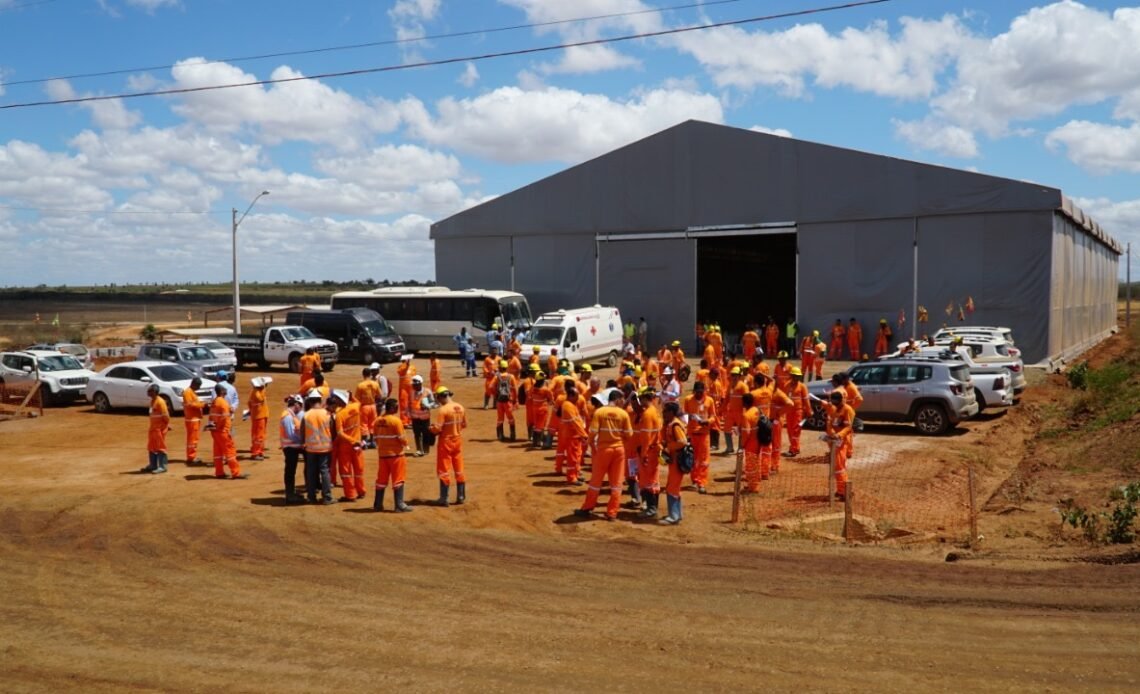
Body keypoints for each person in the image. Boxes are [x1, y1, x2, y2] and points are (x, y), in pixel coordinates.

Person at [574, 389, 632, 521]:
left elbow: (593, 433)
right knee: (617, 483)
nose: (623, 402)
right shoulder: (623, 414)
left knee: (595, 481)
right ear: (617, 399)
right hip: (619, 451)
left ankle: (587, 508)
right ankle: (612, 512)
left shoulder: (600, 412)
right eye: (622, 399)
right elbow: (629, 435)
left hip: (603, 450)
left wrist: (592, 447)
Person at [430, 386, 468, 506]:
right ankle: (461, 496)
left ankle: (444, 498)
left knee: (444, 470)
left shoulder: (443, 410)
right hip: (457, 441)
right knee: (459, 468)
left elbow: (438, 428)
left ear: (441, 396)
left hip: (445, 442)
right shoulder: (461, 407)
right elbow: (464, 425)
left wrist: (431, 429)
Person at [373, 398, 412, 513]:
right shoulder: (396, 421)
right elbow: (402, 438)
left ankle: (377, 505)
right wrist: (406, 444)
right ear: (392, 408)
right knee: (398, 479)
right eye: (396, 407)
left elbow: (375, 438)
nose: (397, 408)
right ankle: (399, 505)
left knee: (381, 480)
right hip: (396, 455)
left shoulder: (377, 421)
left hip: (382, 455)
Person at [631, 387, 663, 518]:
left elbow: (646, 438)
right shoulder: (654, 411)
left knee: (648, 481)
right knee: (653, 480)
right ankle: (652, 507)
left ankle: (651, 508)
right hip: (653, 450)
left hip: (648, 452)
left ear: (645, 398)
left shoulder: (647, 414)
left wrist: (643, 454)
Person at [331, 389, 366, 502]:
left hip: (345, 447)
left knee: (346, 472)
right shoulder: (355, 407)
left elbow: (340, 433)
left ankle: (350, 495)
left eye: (336, 398)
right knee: (358, 470)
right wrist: (351, 397)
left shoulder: (340, 414)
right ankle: (361, 491)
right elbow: (359, 402)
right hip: (357, 445)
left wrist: (351, 440)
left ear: (340, 400)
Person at [301, 389, 335, 504]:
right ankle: (327, 497)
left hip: (311, 448)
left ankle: (311, 497)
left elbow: (302, 432)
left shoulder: (306, 415)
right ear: (320, 400)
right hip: (325, 447)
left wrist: (303, 444)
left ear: (310, 401)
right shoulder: (327, 414)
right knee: (325, 471)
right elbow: (333, 430)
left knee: (311, 472)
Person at [681, 380, 715, 494]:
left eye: (701, 392)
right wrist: (689, 418)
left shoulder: (709, 400)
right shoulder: (688, 400)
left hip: (704, 434)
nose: (699, 394)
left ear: (704, 391)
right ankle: (694, 480)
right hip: (692, 434)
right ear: (694, 391)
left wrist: (707, 421)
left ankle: (702, 482)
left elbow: (713, 416)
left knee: (704, 460)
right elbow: (683, 416)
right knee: (692, 459)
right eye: (697, 392)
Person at [660, 401, 689, 525]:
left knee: (672, 487)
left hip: (677, 460)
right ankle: (677, 514)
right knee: (674, 487)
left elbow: (682, 442)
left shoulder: (675, 425)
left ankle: (674, 516)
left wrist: (668, 447)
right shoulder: (670, 424)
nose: (663, 414)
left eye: (665, 411)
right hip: (675, 460)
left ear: (671, 412)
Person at [208, 383, 243, 479]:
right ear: (222, 391)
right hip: (223, 431)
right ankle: (236, 473)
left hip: (215, 432)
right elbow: (224, 417)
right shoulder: (223, 402)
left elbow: (212, 416)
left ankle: (219, 472)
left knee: (218, 453)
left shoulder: (214, 402)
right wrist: (220, 427)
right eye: (224, 389)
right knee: (230, 451)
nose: (226, 390)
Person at [824, 390, 855, 500]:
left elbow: (848, 427)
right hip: (834, 441)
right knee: (837, 466)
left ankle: (846, 492)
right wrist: (831, 433)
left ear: (841, 400)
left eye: (836, 402)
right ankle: (841, 490)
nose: (834, 404)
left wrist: (839, 435)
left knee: (840, 467)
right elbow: (831, 423)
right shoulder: (834, 408)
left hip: (842, 441)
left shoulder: (847, 410)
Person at [559, 382, 589, 485]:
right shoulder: (567, 406)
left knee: (577, 456)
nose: (578, 399)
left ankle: (576, 474)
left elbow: (578, 420)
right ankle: (571, 478)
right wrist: (584, 434)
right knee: (572, 458)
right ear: (571, 396)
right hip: (571, 436)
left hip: (576, 436)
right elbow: (574, 422)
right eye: (576, 396)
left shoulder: (572, 404)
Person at [279, 394, 305, 504]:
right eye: (300, 405)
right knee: (290, 471)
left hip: (292, 447)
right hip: (291, 447)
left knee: (291, 471)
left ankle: (291, 492)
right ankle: (290, 495)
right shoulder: (288, 416)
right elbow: (291, 434)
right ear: (295, 404)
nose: (301, 408)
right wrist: (302, 441)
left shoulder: (290, 414)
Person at [141, 383, 171, 474]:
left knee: (160, 447)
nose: (148, 392)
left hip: (159, 429)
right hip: (153, 428)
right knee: (152, 447)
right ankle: (153, 465)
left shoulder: (160, 402)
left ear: (155, 392)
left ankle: (163, 466)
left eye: (150, 391)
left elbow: (166, 416)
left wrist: (165, 425)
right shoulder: (153, 401)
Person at [783, 366, 809, 458]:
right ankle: (796, 447)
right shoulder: (786, 385)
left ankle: (793, 450)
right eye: (794, 376)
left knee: (796, 431)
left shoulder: (802, 386)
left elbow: (806, 400)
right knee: (790, 431)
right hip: (789, 412)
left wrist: (809, 411)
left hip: (798, 412)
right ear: (791, 376)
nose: (796, 378)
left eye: (798, 376)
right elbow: (784, 399)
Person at [355, 367, 381, 447]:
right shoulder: (375, 384)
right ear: (370, 374)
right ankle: (372, 441)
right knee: (372, 424)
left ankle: (364, 442)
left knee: (364, 424)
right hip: (373, 406)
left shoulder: (360, 385)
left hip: (364, 407)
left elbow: (356, 398)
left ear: (363, 375)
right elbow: (379, 395)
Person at [408, 375, 433, 456]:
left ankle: (426, 450)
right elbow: (409, 404)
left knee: (426, 434)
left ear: (420, 384)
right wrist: (408, 414)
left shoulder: (427, 392)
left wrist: (427, 406)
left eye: (414, 384)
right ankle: (419, 450)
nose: (413, 386)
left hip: (425, 417)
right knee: (417, 434)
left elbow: (434, 403)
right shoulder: (411, 392)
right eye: (413, 385)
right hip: (415, 418)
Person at [494, 359, 518, 442]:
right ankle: (512, 436)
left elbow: (490, 387)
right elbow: (515, 389)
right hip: (508, 400)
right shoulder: (511, 377)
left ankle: (500, 436)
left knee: (500, 418)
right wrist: (515, 400)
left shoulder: (497, 376)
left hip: (499, 400)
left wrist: (496, 394)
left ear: (500, 367)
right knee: (510, 418)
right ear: (507, 367)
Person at [247, 377, 270, 460]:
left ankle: (259, 451)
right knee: (258, 436)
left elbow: (249, 403)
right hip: (259, 417)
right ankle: (256, 453)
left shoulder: (256, 391)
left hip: (259, 416)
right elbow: (261, 399)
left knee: (260, 435)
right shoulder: (257, 393)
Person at [182, 377, 204, 465]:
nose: (199, 388)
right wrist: (202, 405)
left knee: (193, 439)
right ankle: (191, 457)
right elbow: (190, 405)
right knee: (192, 440)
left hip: (194, 419)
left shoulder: (191, 392)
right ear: (194, 384)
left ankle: (191, 456)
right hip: (192, 420)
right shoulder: (188, 392)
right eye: (199, 386)